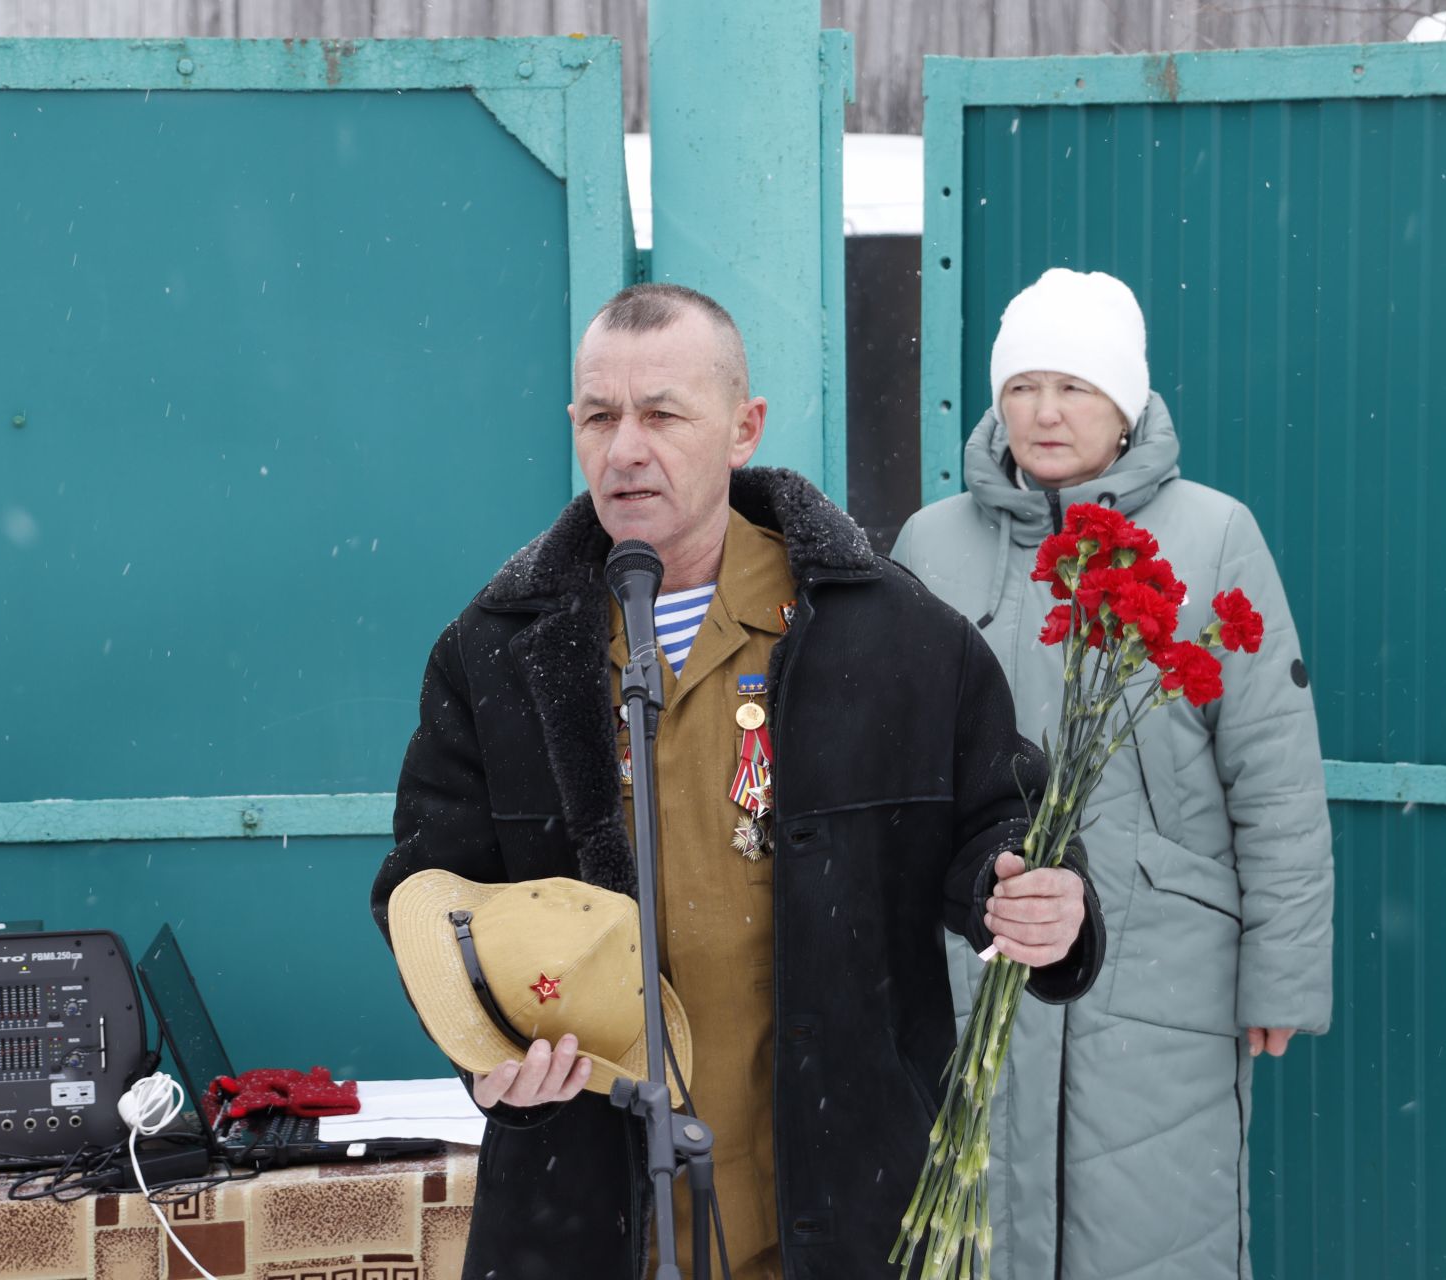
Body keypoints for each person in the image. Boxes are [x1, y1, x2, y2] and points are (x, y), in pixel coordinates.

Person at [371, 282, 1106, 1279]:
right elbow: (430, 886)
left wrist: (1033, 896)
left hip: (838, 1212)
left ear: (743, 428)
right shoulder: (496, 651)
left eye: (663, 412)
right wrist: (490, 1049)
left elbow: (998, 820)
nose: (626, 446)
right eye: (600, 415)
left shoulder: (887, 633)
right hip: (585, 1211)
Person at [893, 267, 1334, 1280]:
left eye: (1076, 386)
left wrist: (1283, 971)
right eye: (1023, 384)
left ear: (1125, 404)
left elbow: (1273, 772)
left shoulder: (1214, 534)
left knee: (1150, 1236)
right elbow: (898, 761)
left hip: (1163, 971)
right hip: (977, 946)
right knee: (973, 1218)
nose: (1045, 411)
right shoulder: (931, 541)